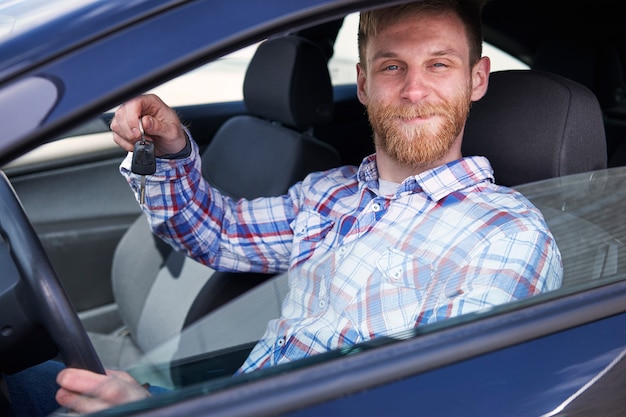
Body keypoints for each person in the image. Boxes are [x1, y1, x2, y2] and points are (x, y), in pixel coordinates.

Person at [6, 0, 563, 415]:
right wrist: (167, 153)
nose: (414, 90)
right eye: (392, 67)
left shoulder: (505, 236)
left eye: (439, 65)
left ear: (477, 79)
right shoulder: (332, 194)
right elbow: (213, 234)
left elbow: (426, 404)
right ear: (364, 84)